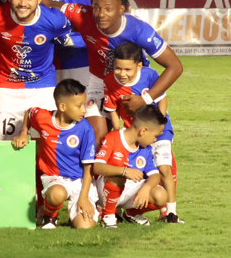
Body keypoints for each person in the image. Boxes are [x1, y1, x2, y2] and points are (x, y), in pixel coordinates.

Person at [57, 0, 183, 144]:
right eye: (97, 8)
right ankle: (97, 169)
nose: (101, 14)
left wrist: (146, 99)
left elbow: (176, 66)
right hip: (100, 82)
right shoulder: (83, 14)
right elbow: (53, 4)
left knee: (146, 140)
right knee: (96, 135)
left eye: (108, 9)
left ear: (121, 9)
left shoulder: (139, 30)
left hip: (135, 84)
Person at [0, 0, 72, 140]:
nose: (23, 3)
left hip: (44, 87)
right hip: (6, 87)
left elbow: (80, 31)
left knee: (48, 143)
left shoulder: (54, 19)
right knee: (2, 144)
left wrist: (66, 41)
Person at [103, 42, 181, 223]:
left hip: (159, 131)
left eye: (128, 70)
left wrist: (159, 124)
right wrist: (117, 135)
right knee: (135, 171)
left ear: (139, 66)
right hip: (135, 134)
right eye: (118, 68)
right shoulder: (108, 81)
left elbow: (162, 99)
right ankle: (124, 211)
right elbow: (112, 110)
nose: (122, 74)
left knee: (163, 169)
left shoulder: (150, 75)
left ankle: (171, 212)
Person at [11, 79, 98, 229]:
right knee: (56, 194)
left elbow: (88, 167)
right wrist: (24, 132)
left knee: (84, 226)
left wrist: (83, 197)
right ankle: (50, 216)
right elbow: (30, 113)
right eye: (79, 106)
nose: (84, 110)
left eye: (84, 105)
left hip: (80, 183)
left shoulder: (85, 128)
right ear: (62, 106)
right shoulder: (43, 118)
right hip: (54, 178)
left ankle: (82, 211)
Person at [93, 105, 169, 228]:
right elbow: (97, 166)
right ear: (143, 131)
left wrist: (147, 187)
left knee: (161, 195)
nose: (155, 140)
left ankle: (132, 214)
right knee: (119, 177)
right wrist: (124, 171)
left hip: (131, 193)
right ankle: (108, 215)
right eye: (155, 136)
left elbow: (155, 175)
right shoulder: (113, 138)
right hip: (106, 190)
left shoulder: (146, 148)